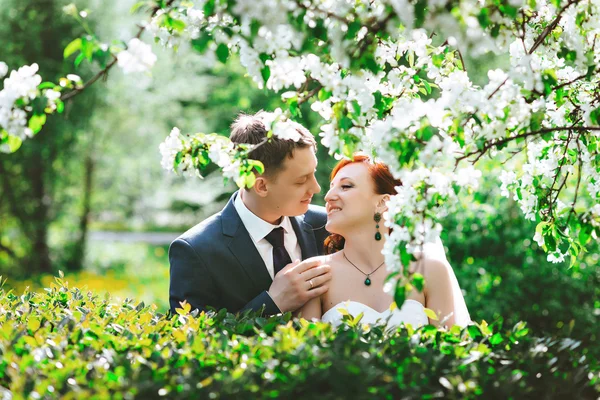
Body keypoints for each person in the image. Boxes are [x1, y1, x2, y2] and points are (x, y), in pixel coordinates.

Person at [169, 112, 332, 316]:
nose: (316, 188)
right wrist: (273, 303)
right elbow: (189, 339)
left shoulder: (328, 225)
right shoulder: (195, 251)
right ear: (261, 186)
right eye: (301, 180)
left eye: (314, 173)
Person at [296, 154, 471, 328]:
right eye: (331, 187)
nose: (328, 196)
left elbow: (450, 349)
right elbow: (308, 353)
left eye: (346, 186)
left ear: (383, 202)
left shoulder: (429, 270)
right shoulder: (315, 274)